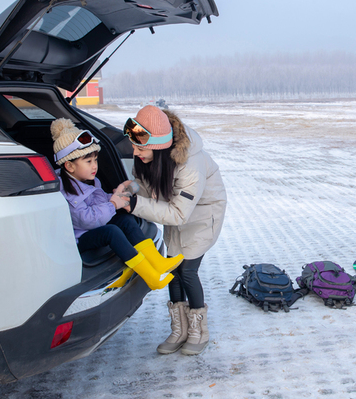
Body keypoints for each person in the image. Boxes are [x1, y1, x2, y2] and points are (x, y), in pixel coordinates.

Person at [122, 105, 227, 356]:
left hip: (202, 214)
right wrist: (131, 189)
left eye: (140, 148)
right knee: (173, 267)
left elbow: (179, 214)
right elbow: (148, 192)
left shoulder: (191, 164)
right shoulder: (150, 158)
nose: (134, 153)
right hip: (176, 210)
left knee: (187, 270)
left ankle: (199, 331)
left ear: (159, 147)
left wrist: (134, 204)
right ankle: (179, 329)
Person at [50, 118, 182, 290]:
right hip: (80, 237)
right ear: (69, 166)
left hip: (92, 227)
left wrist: (113, 197)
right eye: (88, 161)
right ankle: (151, 277)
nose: (94, 166)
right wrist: (112, 204)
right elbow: (86, 220)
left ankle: (158, 263)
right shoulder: (67, 191)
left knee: (126, 221)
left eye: (95, 160)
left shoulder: (89, 181)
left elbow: (98, 202)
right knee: (111, 231)